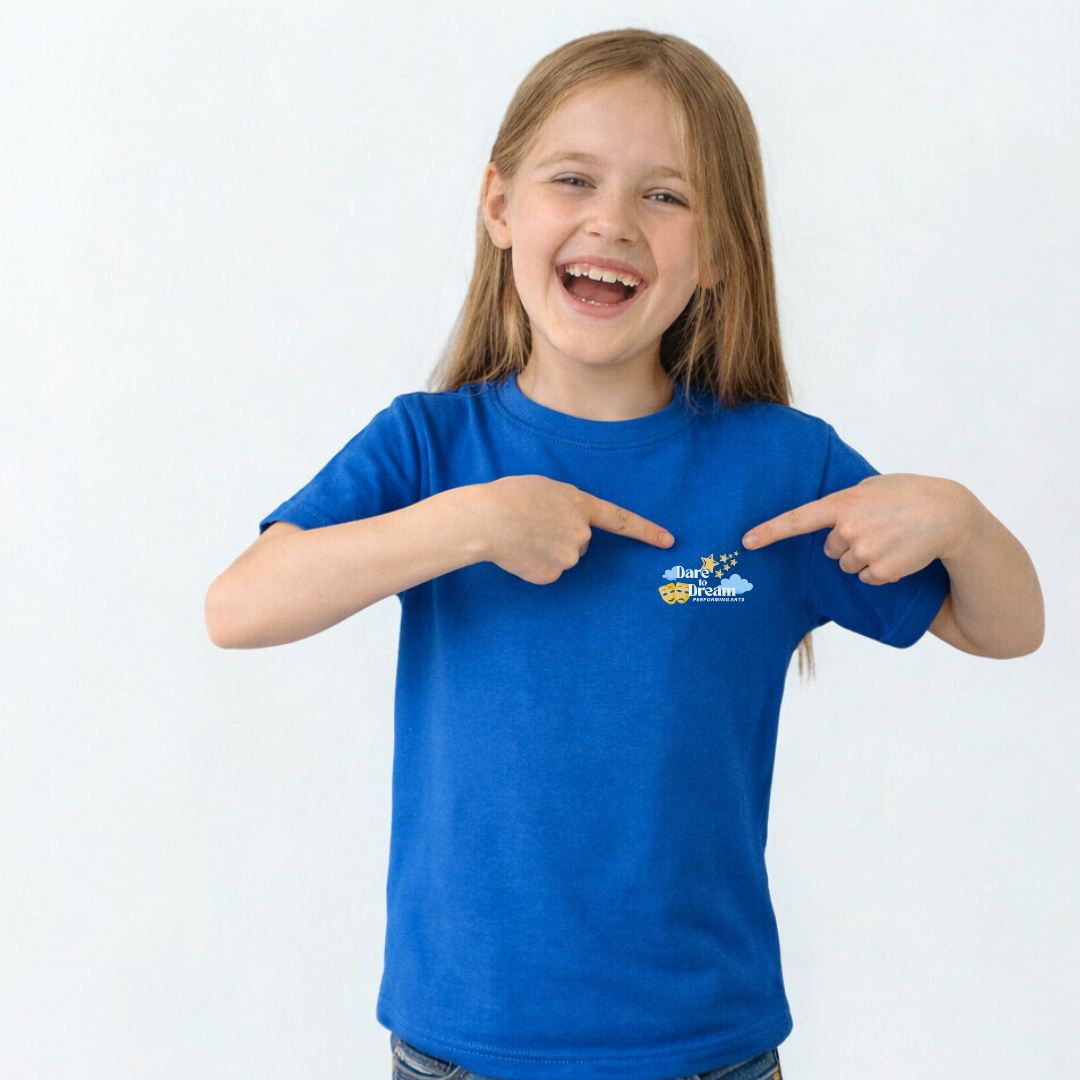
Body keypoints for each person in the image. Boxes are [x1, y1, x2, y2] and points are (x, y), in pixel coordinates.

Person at [204, 28, 1044, 1080]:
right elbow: (238, 608)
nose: (613, 221)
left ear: (723, 247)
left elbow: (1009, 628)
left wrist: (962, 521)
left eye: (666, 196)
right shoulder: (429, 448)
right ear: (502, 207)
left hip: (707, 1052)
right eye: (574, 179)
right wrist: (472, 523)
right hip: (460, 1048)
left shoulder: (778, 466)